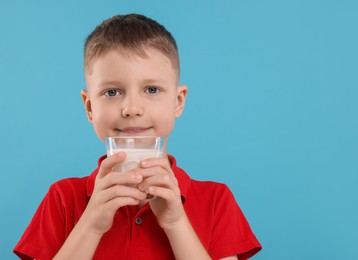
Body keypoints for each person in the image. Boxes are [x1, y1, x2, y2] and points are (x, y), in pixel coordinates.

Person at [14, 13, 262, 259]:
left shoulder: (216, 201)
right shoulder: (63, 199)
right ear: (90, 107)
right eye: (112, 92)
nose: (132, 108)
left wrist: (176, 223)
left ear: (178, 101)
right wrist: (91, 225)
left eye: (152, 89)